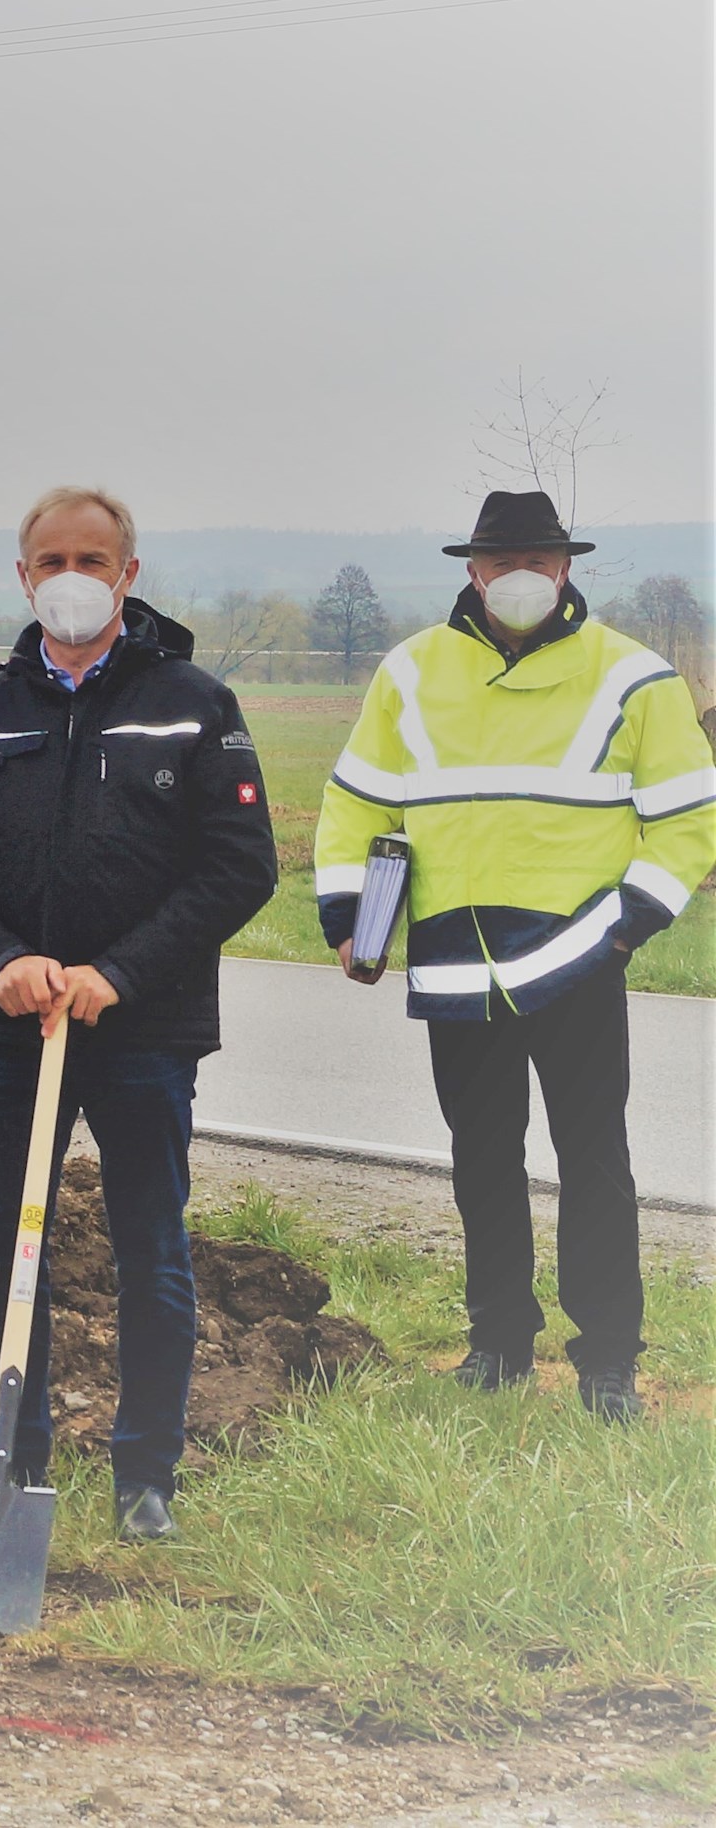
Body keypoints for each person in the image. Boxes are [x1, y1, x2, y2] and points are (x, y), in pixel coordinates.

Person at [0, 487, 276, 1539]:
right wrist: (2, 960)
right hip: (12, 1031)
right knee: (2, 1247)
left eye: (93, 559)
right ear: (23, 576)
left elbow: (239, 869)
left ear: (128, 575)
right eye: (51, 558)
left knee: (150, 1247)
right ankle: (8, 1467)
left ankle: (143, 1478)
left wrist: (119, 972)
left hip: (142, 1034)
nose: (72, 575)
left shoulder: (194, 703)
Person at [314, 492, 712, 1425]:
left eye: (541, 558)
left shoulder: (635, 677)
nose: (522, 576)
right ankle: (497, 1345)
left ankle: (609, 1361)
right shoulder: (409, 672)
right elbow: (356, 804)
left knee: (594, 1162)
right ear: (474, 572)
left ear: (567, 567)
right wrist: (349, 916)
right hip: (455, 963)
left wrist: (627, 927)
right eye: (504, 563)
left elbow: (689, 817)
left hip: (579, 958)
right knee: (480, 1161)